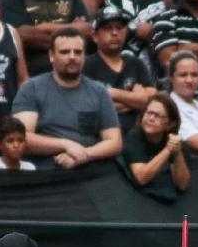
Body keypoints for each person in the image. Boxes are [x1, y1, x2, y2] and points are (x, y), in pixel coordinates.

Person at [11, 30, 122, 169]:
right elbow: (20, 138)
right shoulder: (32, 88)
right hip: (44, 171)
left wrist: (84, 155)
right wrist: (66, 144)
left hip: (89, 168)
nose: (72, 57)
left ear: (84, 56)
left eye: (77, 52)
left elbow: (114, 141)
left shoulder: (99, 91)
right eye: (64, 52)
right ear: (51, 56)